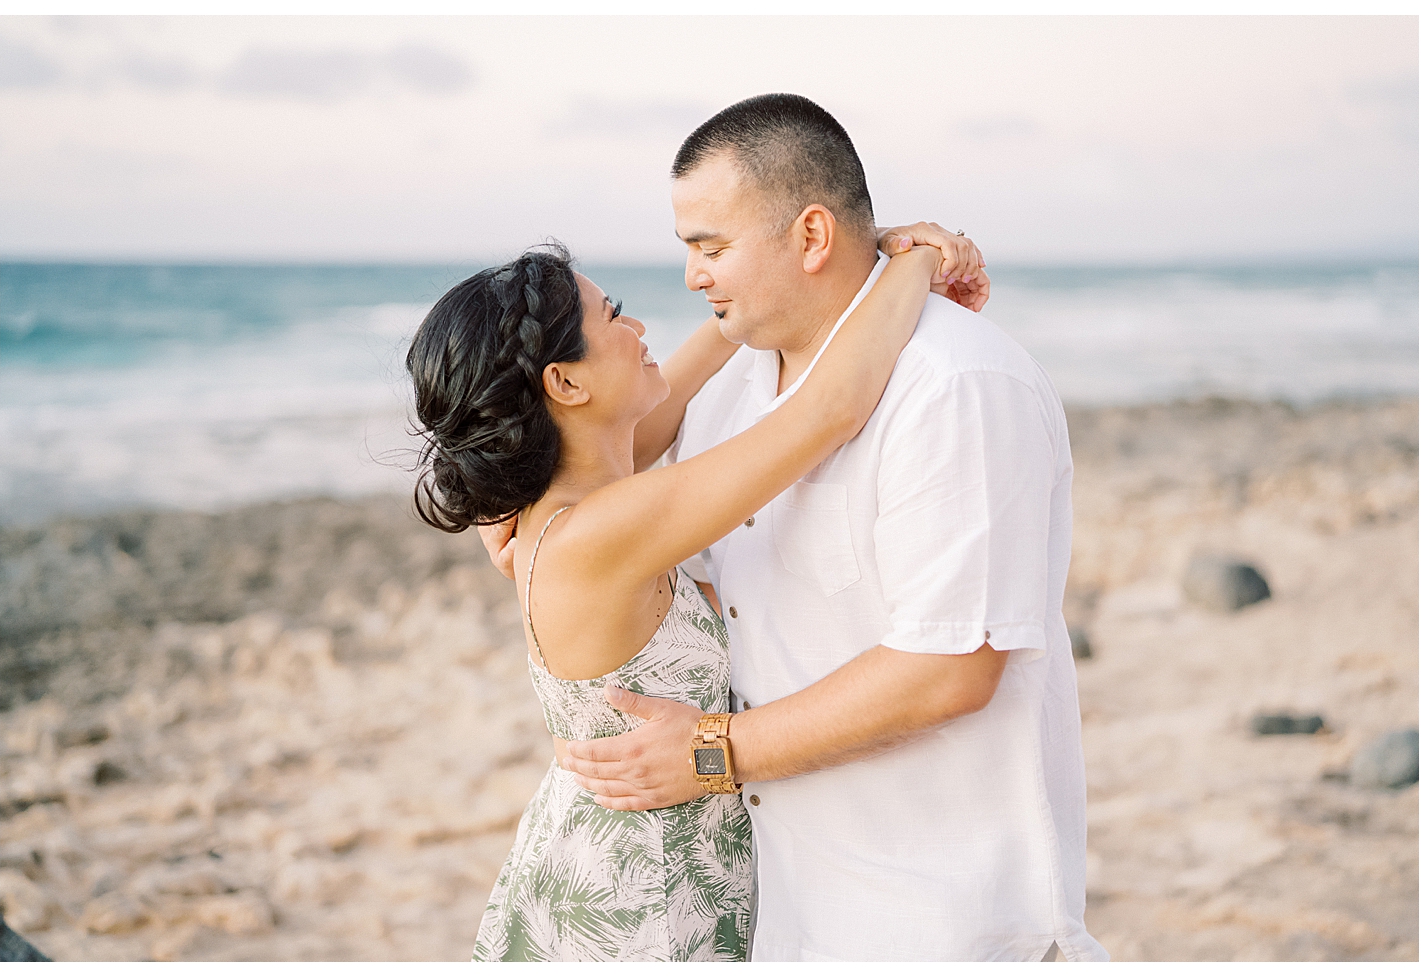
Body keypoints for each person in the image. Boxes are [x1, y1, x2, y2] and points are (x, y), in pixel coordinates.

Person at [508, 93, 1110, 962]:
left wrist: (714, 751)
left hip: (938, 917)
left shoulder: (955, 386)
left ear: (813, 237)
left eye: (709, 246)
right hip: (777, 909)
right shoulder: (721, 401)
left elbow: (952, 667)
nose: (690, 277)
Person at [407, 225, 974, 960]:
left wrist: (822, 265)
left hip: (615, 864)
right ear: (566, 383)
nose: (639, 325)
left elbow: (680, 382)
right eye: (611, 313)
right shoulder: (601, 531)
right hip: (645, 903)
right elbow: (830, 408)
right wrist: (920, 257)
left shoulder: (583, 491)